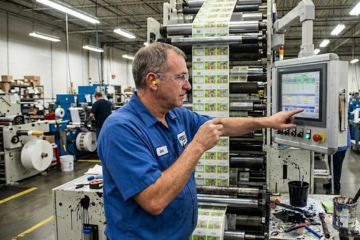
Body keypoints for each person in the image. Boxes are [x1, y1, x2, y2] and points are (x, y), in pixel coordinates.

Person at [97, 42, 303, 240]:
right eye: (180, 77)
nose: (188, 85)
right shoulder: (120, 129)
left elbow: (221, 124)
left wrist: (269, 121)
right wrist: (197, 146)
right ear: (153, 81)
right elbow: (154, 200)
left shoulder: (176, 115)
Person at [325, 129, 351, 194]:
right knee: (331, 165)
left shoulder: (341, 119)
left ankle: (336, 189)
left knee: (336, 168)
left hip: (339, 145)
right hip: (335, 144)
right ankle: (332, 183)